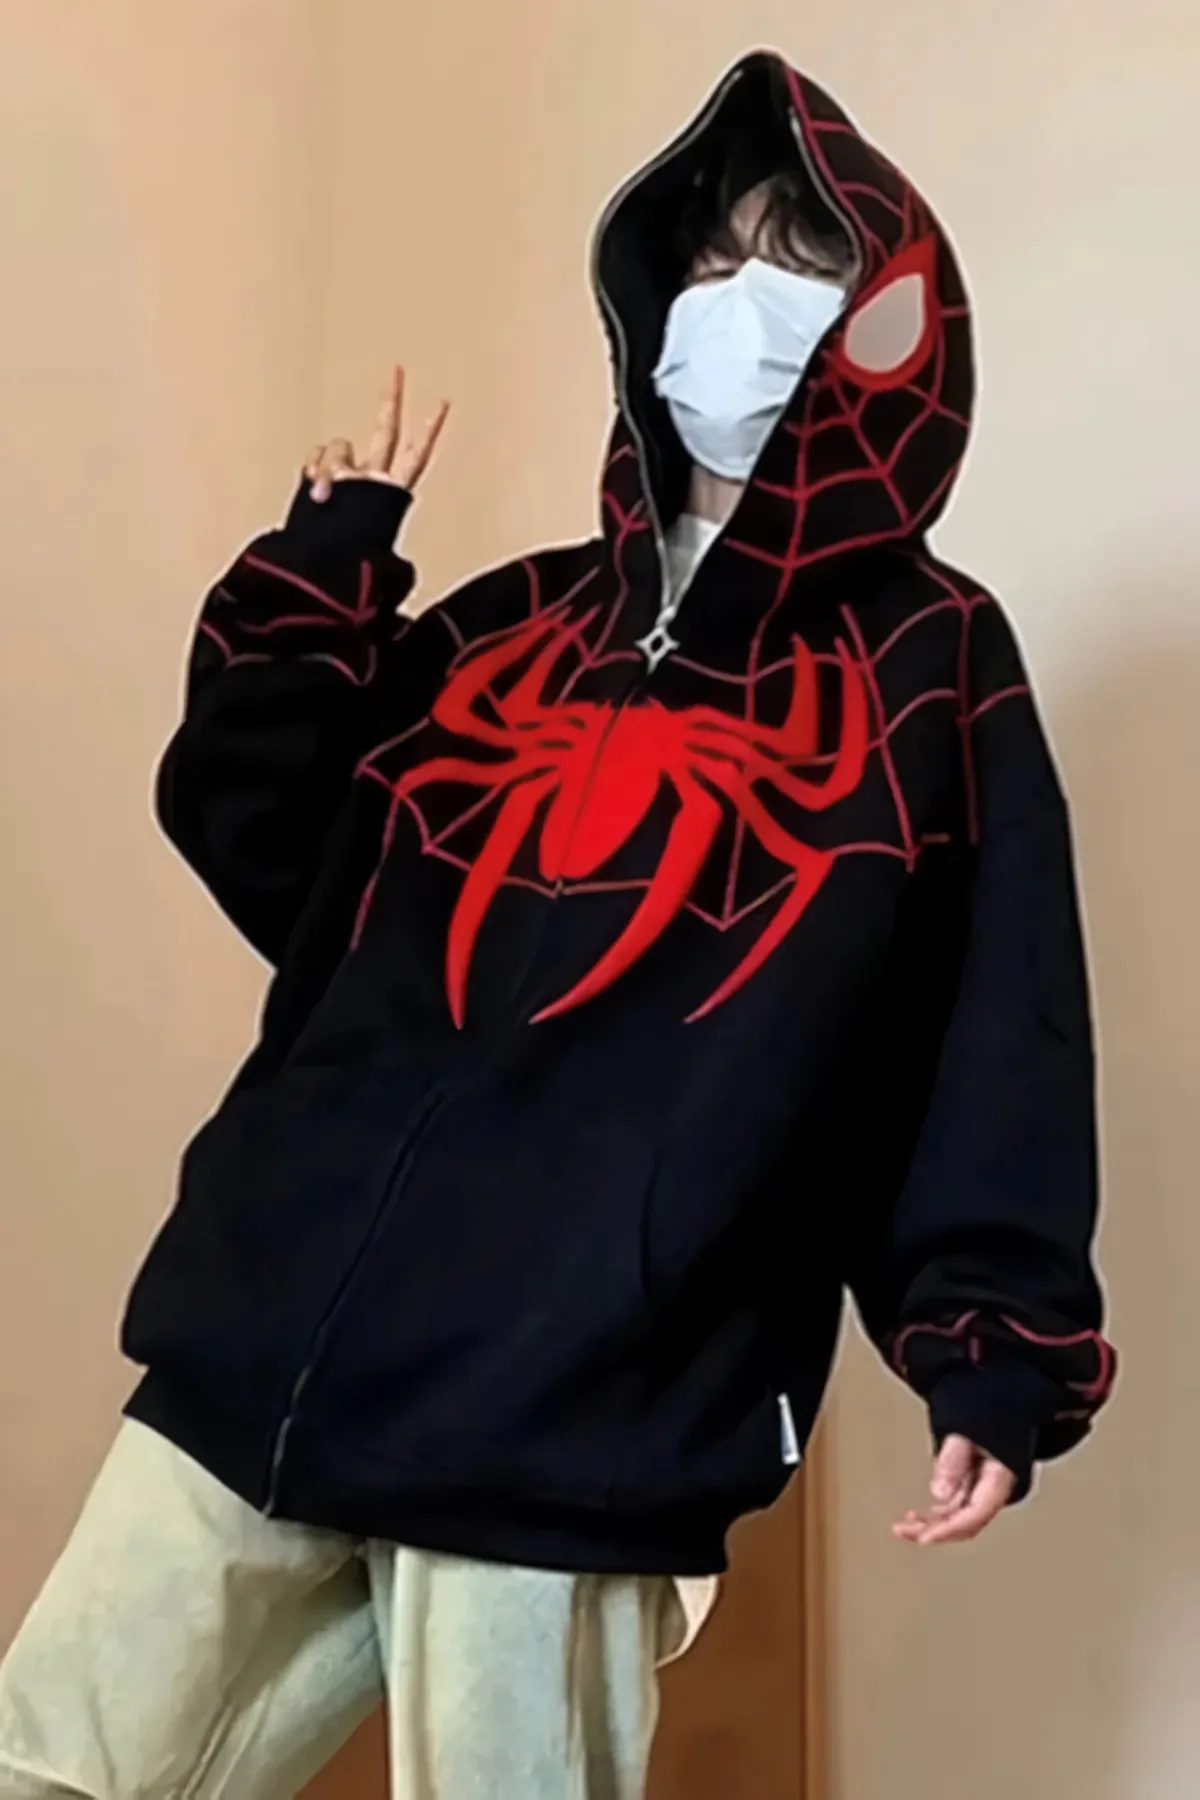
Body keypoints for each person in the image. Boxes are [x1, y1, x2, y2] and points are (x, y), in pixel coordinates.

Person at [0, 48, 1115, 1800]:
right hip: (266, 1336)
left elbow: (992, 1022)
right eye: (715, 258)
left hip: (575, 1401)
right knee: (53, 1762)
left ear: (882, 329)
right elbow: (283, 861)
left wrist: (992, 1348)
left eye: (795, 267)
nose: (735, 302)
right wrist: (323, 581)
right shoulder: (509, 625)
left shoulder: (928, 663)